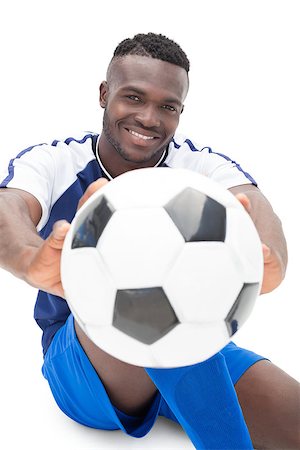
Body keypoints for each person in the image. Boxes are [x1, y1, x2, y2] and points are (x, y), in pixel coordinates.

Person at [0, 32, 299, 449]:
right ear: (104, 94)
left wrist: (272, 260)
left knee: (293, 416)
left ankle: (180, 389)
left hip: (193, 344)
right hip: (85, 366)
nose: (149, 118)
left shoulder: (197, 166)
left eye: (167, 106)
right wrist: (32, 259)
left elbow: (256, 206)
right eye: (134, 97)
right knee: (152, 300)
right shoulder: (55, 161)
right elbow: (8, 210)